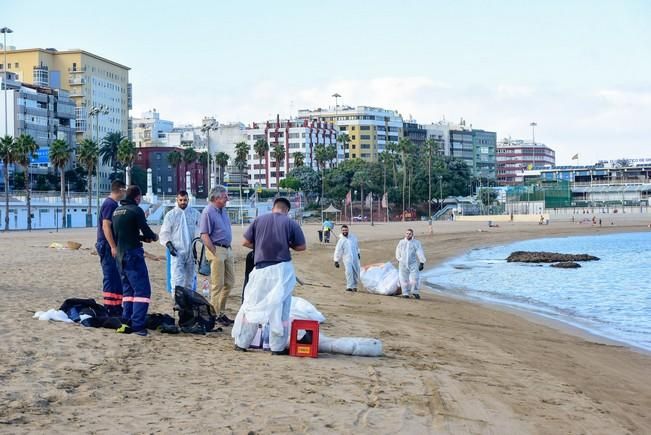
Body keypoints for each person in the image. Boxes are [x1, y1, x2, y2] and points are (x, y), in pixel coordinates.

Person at [232, 197, 306, 355]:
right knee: (280, 310)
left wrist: (258, 245)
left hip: (260, 270)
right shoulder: (290, 223)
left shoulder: (259, 220)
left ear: (274, 207)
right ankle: (277, 347)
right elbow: (301, 247)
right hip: (282, 271)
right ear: (287, 210)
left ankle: (242, 342)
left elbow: (245, 242)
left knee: (252, 306)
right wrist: (288, 244)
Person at [112, 185, 158, 336]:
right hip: (133, 255)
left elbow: (124, 234)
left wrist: (141, 237)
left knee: (128, 290)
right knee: (142, 291)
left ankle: (126, 322)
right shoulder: (135, 210)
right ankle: (138, 325)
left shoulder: (116, 211)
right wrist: (153, 237)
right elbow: (146, 230)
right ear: (137, 197)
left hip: (120, 255)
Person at [199, 185, 235, 326]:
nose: (227, 198)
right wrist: (214, 251)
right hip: (217, 250)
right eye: (225, 196)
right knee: (217, 285)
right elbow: (204, 234)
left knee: (229, 283)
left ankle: (220, 312)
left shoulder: (223, 210)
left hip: (227, 249)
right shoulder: (208, 211)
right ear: (216, 198)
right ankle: (213, 315)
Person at [159, 190, 201, 291]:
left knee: (190, 278)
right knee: (177, 278)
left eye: (185, 200)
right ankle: (178, 302)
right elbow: (164, 232)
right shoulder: (171, 215)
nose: (183, 202)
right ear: (177, 200)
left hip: (191, 251)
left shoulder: (194, 213)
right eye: (181, 200)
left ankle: (189, 302)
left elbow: (202, 228)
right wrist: (169, 245)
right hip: (177, 251)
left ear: (188, 200)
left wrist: (197, 244)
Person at [95, 180, 126, 316]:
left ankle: (116, 306)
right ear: (120, 190)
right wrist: (113, 246)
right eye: (124, 190)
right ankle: (110, 307)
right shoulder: (110, 204)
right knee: (110, 276)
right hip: (107, 245)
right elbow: (106, 226)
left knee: (116, 276)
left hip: (109, 244)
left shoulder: (113, 204)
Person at [395, 228, 426, 299]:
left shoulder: (416, 242)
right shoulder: (401, 242)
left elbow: (419, 251)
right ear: (405, 234)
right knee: (403, 278)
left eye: (410, 234)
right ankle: (405, 293)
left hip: (413, 263)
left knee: (416, 278)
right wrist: (399, 259)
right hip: (402, 264)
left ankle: (415, 292)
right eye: (407, 233)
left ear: (412, 235)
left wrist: (422, 262)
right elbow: (397, 251)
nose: (408, 235)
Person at [333, 224, 361, 292]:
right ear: (341, 231)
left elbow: (357, 246)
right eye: (343, 230)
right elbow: (338, 250)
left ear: (348, 230)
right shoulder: (341, 240)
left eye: (346, 230)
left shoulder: (353, 237)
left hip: (355, 258)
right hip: (347, 259)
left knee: (356, 272)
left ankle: (354, 286)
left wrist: (358, 253)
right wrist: (336, 260)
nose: (344, 231)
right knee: (349, 272)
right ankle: (349, 286)